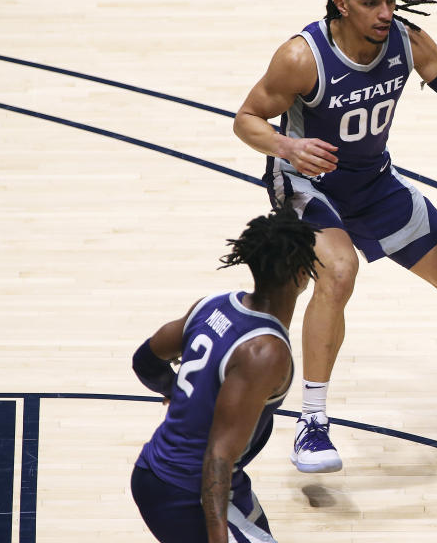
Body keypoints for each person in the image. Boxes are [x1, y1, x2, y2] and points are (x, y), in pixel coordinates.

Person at [232, 0, 437, 474]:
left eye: (391, 0)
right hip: (306, 187)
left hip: (373, 185)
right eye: (371, 4)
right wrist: (287, 144)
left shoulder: (407, 41)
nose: (386, 12)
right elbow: (246, 120)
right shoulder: (302, 56)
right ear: (341, 4)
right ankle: (313, 423)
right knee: (338, 272)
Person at [130, 204, 320, 543]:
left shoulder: (213, 305)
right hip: (187, 491)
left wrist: (174, 389)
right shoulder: (266, 352)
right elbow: (218, 456)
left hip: (164, 471)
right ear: (301, 274)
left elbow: (145, 360)